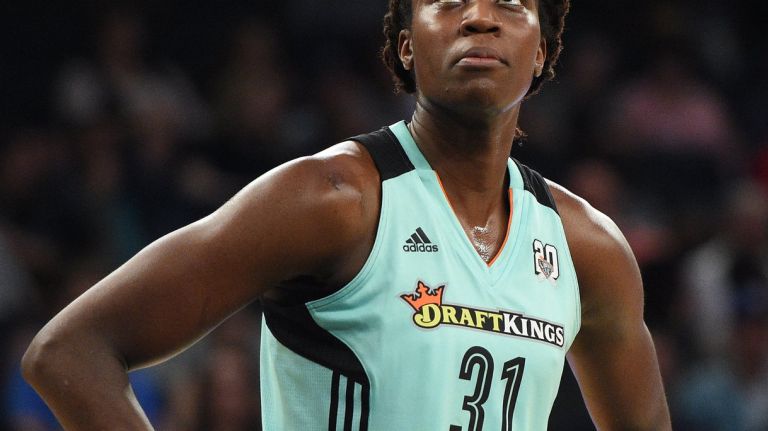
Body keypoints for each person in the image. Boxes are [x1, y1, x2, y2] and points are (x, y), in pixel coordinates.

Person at [22, 0, 672, 429]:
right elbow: (70, 350)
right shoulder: (332, 199)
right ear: (406, 45)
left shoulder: (588, 248)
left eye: (508, 1)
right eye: (447, 0)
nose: (479, 17)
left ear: (542, 51)